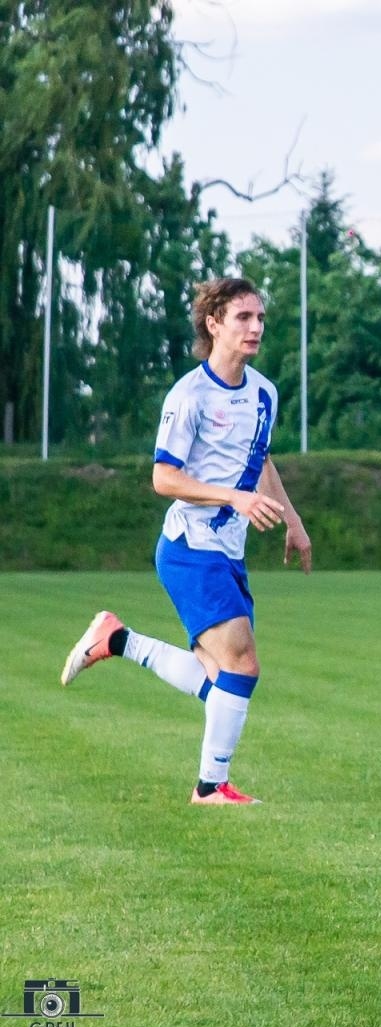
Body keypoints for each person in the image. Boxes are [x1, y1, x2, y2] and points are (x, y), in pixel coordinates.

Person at [60, 277, 311, 805]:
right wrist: (232, 499)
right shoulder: (189, 394)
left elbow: (259, 460)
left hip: (227, 551)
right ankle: (210, 787)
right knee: (242, 666)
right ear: (213, 323)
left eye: (261, 318)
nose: (256, 327)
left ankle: (117, 639)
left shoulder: (265, 392)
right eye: (243, 317)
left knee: (220, 680)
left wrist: (292, 520)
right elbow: (163, 478)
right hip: (190, 547)